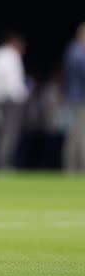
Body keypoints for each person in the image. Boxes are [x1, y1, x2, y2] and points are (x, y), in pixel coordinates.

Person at [0, 34, 28, 169]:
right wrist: (22, 97)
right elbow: (13, 82)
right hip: (10, 101)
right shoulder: (12, 56)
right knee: (9, 133)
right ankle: (3, 164)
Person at [63, 23, 85, 171]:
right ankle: (74, 167)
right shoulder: (76, 51)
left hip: (78, 98)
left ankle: (74, 167)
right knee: (78, 134)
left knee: (77, 134)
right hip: (79, 99)